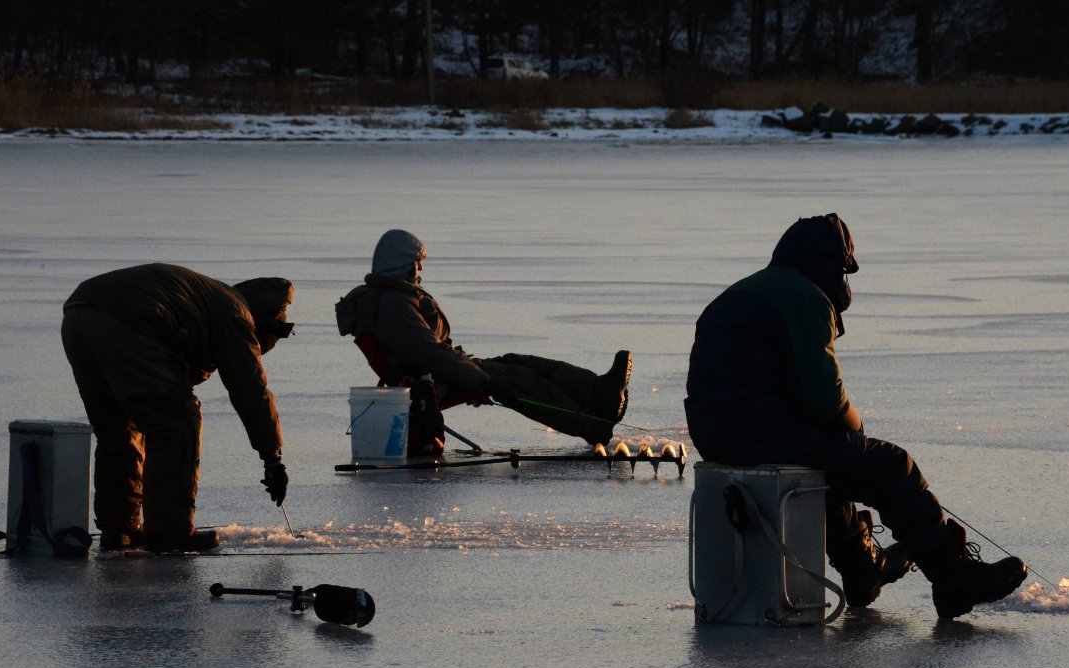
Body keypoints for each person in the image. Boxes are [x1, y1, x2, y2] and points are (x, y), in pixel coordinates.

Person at [684, 214, 1027, 619]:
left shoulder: (746, 291)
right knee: (890, 466)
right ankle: (954, 579)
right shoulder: (804, 295)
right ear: (833, 266)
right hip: (759, 432)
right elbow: (823, 396)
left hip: (716, 433)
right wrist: (857, 436)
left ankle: (863, 569)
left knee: (828, 458)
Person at [61, 263, 293, 553]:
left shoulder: (211, 298)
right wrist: (272, 458)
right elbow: (251, 390)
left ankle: (120, 529)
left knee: (118, 429)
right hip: (129, 321)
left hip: (78, 317)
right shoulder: (236, 313)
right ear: (263, 323)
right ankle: (170, 532)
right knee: (179, 423)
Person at [335, 229, 633, 446]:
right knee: (516, 379)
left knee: (519, 362)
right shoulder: (393, 304)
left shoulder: (394, 297)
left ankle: (599, 392)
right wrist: (480, 381)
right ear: (402, 263)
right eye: (417, 261)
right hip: (428, 381)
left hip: (437, 371)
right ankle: (593, 426)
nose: (421, 268)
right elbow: (428, 352)